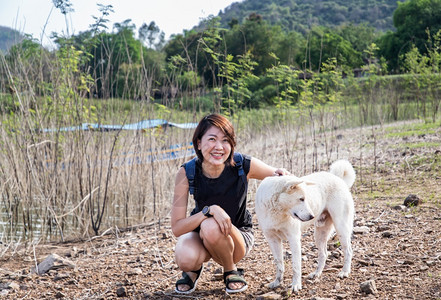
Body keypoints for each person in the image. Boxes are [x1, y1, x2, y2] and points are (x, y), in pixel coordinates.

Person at [171, 113, 289, 294]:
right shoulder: (187, 172)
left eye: (225, 140)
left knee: (211, 225)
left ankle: (230, 269)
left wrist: (282, 175)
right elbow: (177, 228)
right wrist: (209, 211)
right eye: (212, 139)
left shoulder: (243, 165)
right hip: (203, 233)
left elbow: (280, 177)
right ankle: (193, 269)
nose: (219, 147)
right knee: (186, 256)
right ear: (198, 143)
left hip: (238, 236)